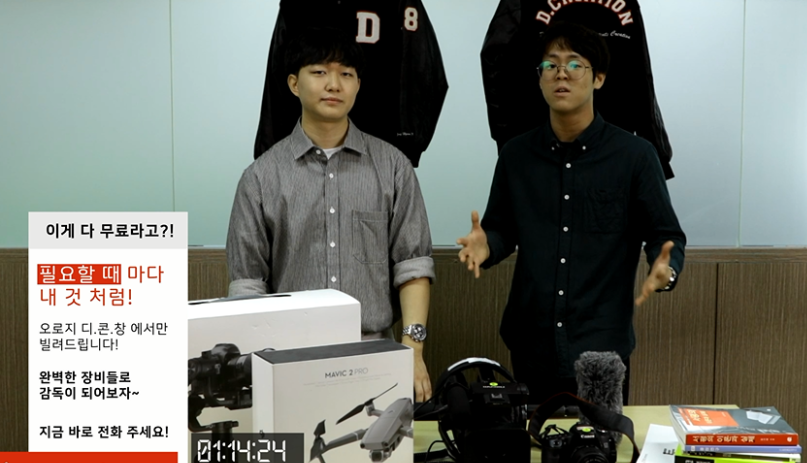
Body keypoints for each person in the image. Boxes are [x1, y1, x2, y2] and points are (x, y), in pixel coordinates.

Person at [457, 22, 686, 406]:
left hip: (602, 349)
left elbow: (666, 235)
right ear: (540, 78)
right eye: (550, 65)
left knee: (601, 441)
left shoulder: (635, 156)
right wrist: (486, 246)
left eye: (575, 64)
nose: (561, 73)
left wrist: (666, 268)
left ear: (599, 78)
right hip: (531, 343)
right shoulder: (516, 156)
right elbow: (501, 230)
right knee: (533, 441)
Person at [226, 27, 435, 402]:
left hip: (376, 356)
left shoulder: (393, 167)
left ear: (358, 85)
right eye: (320, 72)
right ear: (294, 83)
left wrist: (413, 349)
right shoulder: (260, 177)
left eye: (346, 73)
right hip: (289, 360)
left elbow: (413, 265)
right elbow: (248, 285)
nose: (334, 84)